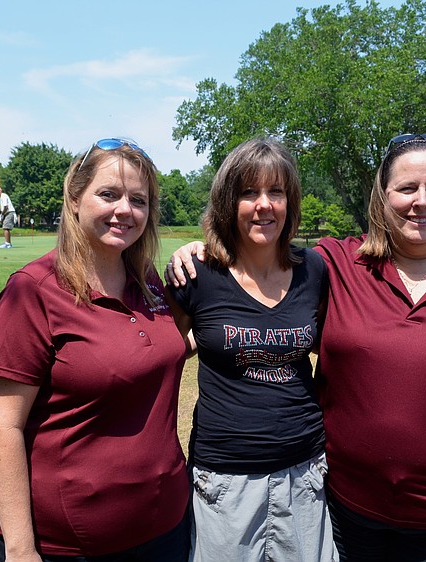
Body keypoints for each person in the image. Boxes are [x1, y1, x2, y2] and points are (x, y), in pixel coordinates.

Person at [168, 133, 426, 561]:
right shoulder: (339, 263)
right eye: (407, 188)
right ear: (383, 197)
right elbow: (244, 284)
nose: (421, 201)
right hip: (352, 510)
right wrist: (202, 249)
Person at [0, 138, 190, 561]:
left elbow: (169, 346)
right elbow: (2, 427)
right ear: (75, 199)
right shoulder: (33, 292)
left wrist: (202, 256)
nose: (125, 210)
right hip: (66, 544)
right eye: (108, 194)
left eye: (138, 200)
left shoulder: (148, 282)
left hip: (164, 527)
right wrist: (20, 551)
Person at [166, 137, 337, 562]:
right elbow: (161, 354)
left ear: (290, 201)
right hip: (224, 481)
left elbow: (335, 345)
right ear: (228, 203)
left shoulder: (313, 270)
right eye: (249, 193)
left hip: (305, 474)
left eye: (275, 192)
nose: (264, 204)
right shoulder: (197, 274)